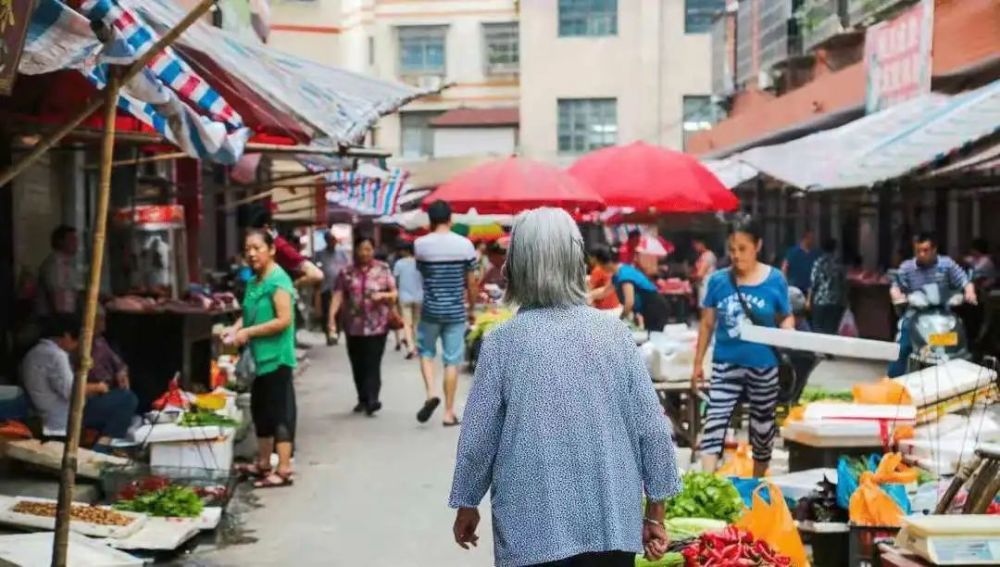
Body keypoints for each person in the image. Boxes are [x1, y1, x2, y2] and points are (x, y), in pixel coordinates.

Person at [449, 208, 681, 567]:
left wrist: (467, 502)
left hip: (531, 530)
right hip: (611, 523)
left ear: (519, 266)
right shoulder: (615, 334)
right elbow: (652, 427)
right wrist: (655, 513)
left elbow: (479, 436)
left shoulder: (502, 342)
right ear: (576, 261)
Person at [693, 219, 794, 477]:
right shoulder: (717, 281)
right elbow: (706, 324)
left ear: (757, 245)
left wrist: (789, 333)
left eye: (743, 248)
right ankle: (706, 480)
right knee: (715, 418)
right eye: (732, 249)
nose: (736, 256)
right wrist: (697, 364)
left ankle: (758, 479)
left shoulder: (775, 280)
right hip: (726, 362)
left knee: (762, 426)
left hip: (764, 364)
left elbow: (785, 316)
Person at [225, 229, 297, 489]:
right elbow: (251, 313)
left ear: (272, 249)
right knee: (260, 410)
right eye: (248, 249)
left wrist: (248, 332)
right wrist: (235, 328)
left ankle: (285, 468)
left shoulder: (278, 280)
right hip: (260, 358)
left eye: (257, 248)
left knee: (280, 412)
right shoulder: (254, 282)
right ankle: (264, 463)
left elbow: (284, 320)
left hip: (277, 357)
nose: (252, 254)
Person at [21, 314, 138, 443]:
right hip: (61, 414)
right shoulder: (56, 355)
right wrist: (97, 387)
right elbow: (71, 392)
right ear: (67, 336)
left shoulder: (35, 352)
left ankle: (103, 441)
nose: (77, 345)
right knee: (127, 399)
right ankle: (104, 446)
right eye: (76, 340)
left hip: (46, 409)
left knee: (117, 403)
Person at [414, 201, 477, 426]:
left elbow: (422, 275)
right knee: (452, 361)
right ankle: (449, 413)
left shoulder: (420, 245)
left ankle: (431, 393)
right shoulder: (465, 246)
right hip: (455, 312)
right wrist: (471, 309)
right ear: (450, 219)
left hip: (430, 310)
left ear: (430, 221)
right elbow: (471, 282)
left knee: (426, 352)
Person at [888, 232, 977, 377]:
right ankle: (893, 379)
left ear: (934, 250)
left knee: (959, 339)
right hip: (915, 313)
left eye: (925, 250)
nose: (921, 254)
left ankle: (965, 376)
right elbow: (895, 286)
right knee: (903, 345)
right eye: (918, 251)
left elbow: (964, 281)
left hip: (944, 313)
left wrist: (969, 292)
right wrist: (897, 296)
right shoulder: (907, 267)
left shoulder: (947, 264)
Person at [329, 237, 398, 415]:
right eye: (361, 249)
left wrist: (382, 296)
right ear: (356, 250)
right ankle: (362, 398)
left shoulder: (383, 269)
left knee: (373, 363)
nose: (365, 253)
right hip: (353, 326)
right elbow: (338, 295)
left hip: (377, 325)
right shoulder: (346, 272)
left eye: (368, 249)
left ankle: (373, 399)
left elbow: (394, 293)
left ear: (373, 250)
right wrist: (331, 318)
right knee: (358, 364)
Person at [600, 255, 670, 333]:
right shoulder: (618, 274)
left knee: (654, 337)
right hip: (649, 308)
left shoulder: (624, 275)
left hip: (655, 307)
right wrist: (589, 296)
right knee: (649, 336)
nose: (601, 268)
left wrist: (620, 319)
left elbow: (629, 303)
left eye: (601, 265)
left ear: (609, 263)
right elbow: (604, 292)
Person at [37, 225, 82, 317]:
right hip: (58, 319)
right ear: (60, 242)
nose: (76, 243)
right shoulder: (55, 265)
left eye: (76, 239)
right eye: (72, 239)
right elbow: (58, 297)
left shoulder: (68, 264)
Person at [316, 232, 351, 346]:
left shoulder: (342, 253)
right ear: (326, 241)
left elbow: (348, 267)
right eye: (329, 240)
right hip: (325, 287)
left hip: (339, 287)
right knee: (326, 312)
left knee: (339, 312)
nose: (332, 242)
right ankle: (329, 334)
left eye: (333, 240)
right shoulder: (320, 254)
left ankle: (336, 332)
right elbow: (316, 268)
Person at [808, 238, 846, 335]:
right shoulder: (839, 263)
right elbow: (843, 283)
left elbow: (813, 283)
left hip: (820, 301)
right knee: (832, 330)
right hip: (835, 302)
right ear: (835, 249)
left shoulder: (818, 262)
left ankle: (819, 350)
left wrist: (808, 300)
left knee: (818, 330)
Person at [393, 241, 423, 360]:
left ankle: (410, 348)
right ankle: (417, 346)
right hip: (420, 296)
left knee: (407, 323)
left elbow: (395, 280)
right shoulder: (420, 263)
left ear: (405, 251)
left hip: (404, 296)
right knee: (417, 323)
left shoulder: (399, 264)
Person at [89, 306, 130, 391]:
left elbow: (116, 361)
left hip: (110, 386)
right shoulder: (78, 344)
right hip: (93, 391)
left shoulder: (100, 341)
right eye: (100, 321)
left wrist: (121, 372)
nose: (103, 327)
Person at [587, 246, 622, 318]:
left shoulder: (598, 270)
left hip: (603, 310)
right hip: (615, 308)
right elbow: (606, 290)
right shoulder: (617, 272)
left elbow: (590, 290)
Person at [781, 229, 819, 294]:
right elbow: (784, 268)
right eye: (811, 238)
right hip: (795, 287)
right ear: (805, 239)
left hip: (810, 288)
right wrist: (785, 284)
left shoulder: (815, 253)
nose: (813, 241)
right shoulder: (792, 252)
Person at [691, 237, 718, 308]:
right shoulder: (702, 256)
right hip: (702, 286)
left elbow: (700, 274)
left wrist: (692, 277)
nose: (694, 247)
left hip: (706, 286)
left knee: (705, 310)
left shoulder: (708, 255)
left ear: (702, 244)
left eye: (695, 244)